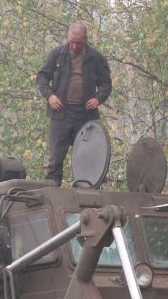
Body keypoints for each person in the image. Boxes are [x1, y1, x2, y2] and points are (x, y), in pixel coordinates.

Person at [35, 21, 112, 185]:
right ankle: (53, 191)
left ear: (86, 39)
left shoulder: (96, 58)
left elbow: (106, 84)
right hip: (60, 114)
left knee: (89, 158)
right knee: (55, 158)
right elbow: (42, 77)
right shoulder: (57, 54)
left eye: (79, 42)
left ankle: (88, 194)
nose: (75, 46)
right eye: (72, 41)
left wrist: (98, 98)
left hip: (85, 116)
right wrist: (50, 96)